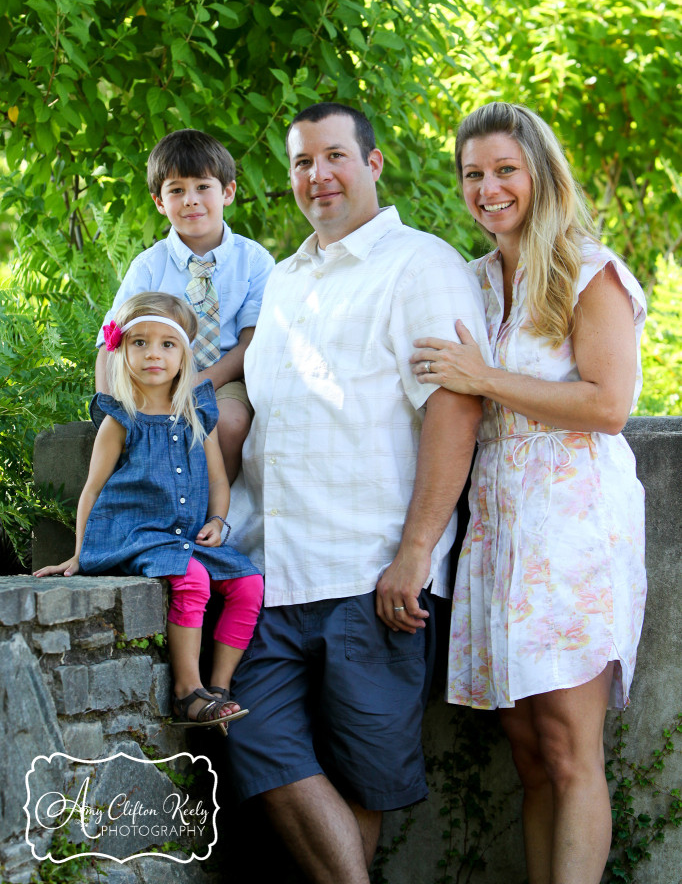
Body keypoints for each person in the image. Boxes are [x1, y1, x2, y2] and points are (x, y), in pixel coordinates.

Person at [224, 102, 491, 883]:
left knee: (363, 778)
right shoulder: (283, 279)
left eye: (335, 156)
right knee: (250, 735)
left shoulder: (421, 265)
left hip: (371, 576)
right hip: (268, 572)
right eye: (303, 161)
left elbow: (455, 407)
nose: (318, 175)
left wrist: (413, 556)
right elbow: (261, 402)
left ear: (372, 165)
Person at [410, 101, 647, 884]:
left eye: (505, 170)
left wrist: (485, 378)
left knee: (569, 749)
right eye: (474, 174)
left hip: (572, 522)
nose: (488, 188)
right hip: (500, 525)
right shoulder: (472, 280)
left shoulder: (589, 272)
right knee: (527, 751)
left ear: (540, 175)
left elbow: (610, 406)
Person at [36, 292, 264, 733]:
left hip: (183, 538)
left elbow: (219, 481)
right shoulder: (121, 419)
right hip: (134, 533)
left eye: (167, 344)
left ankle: (217, 689)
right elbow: (92, 489)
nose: (152, 354)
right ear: (121, 351)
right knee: (193, 580)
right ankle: (186, 691)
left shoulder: (198, 414)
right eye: (139, 342)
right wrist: (79, 552)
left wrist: (217, 521)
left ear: (184, 356)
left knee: (248, 583)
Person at [95, 129, 274, 482]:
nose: (190, 200)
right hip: (158, 375)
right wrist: (109, 405)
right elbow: (111, 337)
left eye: (202, 187)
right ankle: (164, 506)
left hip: (225, 377)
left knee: (231, 422)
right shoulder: (148, 266)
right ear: (160, 202)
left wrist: (199, 381)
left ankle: (214, 511)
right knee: (148, 434)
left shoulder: (254, 261)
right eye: (176, 190)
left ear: (228, 191)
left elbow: (252, 343)